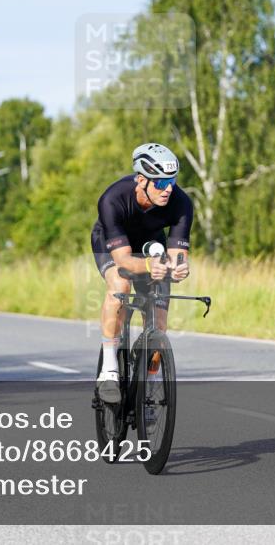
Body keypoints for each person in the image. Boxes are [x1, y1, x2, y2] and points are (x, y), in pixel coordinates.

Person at [91, 143, 193, 403]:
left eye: (171, 180)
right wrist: (149, 266)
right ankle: (110, 369)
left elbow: (178, 254)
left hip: (150, 246)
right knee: (119, 285)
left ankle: (148, 385)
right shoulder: (113, 199)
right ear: (140, 180)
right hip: (112, 245)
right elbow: (124, 260)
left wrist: (179, 267)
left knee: (159, 321)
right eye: (159, 183)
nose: (167, 188)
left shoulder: (181, 202)